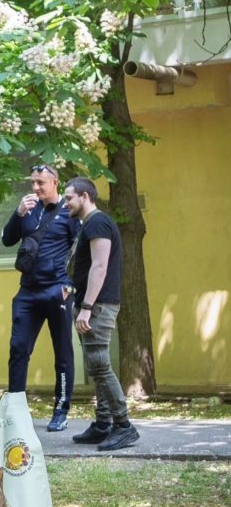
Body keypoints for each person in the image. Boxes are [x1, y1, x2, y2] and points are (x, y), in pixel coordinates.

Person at [2, 164, 80, 431]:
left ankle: (61, 410)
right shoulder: (28, 209)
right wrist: (18, 213)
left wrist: (68, 285)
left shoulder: (69, 212)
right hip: (27, 292)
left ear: (55, 183)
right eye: (33, 182)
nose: (35, 188)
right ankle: (15, 410)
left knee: (62, 352)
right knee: (18, 349)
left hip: (56, 289)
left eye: (40, 183)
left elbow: (79, 252)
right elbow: (8, 239)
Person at [63, 177, 140, 451]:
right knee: (96, 365)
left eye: (69, 197)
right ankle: (103, 423)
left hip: (98, 305)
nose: (65, 202)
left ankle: (124, 426)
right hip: (93, 303)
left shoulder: (97, 222)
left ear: (85, 196)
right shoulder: (91, 224)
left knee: (100, 364)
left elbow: (99, 267)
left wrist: (86, 307)